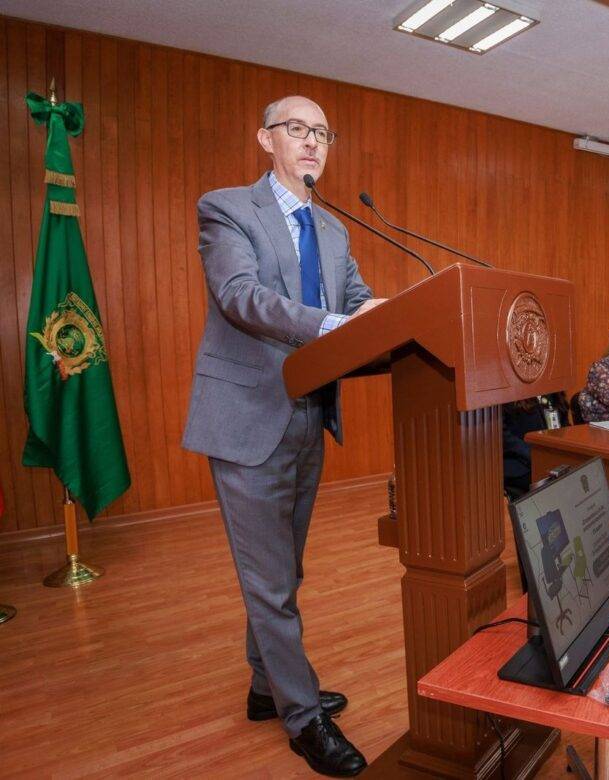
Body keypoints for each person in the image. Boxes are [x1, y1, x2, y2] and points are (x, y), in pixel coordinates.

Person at [182, 95, 386, 777]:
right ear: (266, 137)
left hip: (308, 416)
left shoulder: (333, 231)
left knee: (282, 570)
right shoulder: (228, 209)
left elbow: (355, 300)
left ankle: (267, 687)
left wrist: (387, 313)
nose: (312, 143)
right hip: (247, 419)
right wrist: (331, 326)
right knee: (269, 581)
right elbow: (241, 297)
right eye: (298, 129)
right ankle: (304, 719)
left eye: (323, 134)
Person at [502, 393, 569, 500]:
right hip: (520, 463)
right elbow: (503, 436)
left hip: (552, 457)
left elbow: (565, 427)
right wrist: (534, 455)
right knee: (561, 486)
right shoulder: (508, 394)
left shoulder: (554, 393)